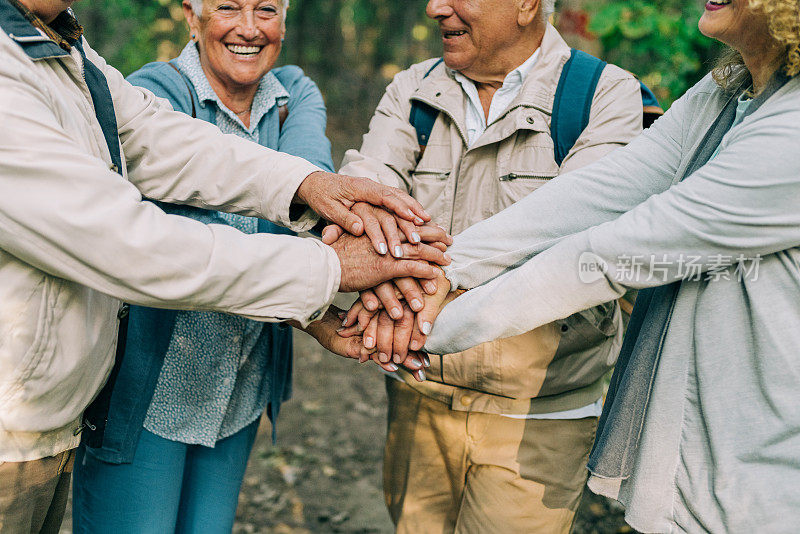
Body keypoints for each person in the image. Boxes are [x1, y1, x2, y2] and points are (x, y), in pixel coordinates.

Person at [0, 0, 447, 531]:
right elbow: (131, 245)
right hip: (30, 416)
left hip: (59, 414)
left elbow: (153, 137)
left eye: (267, 9)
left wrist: (309, 186)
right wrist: (329, 269)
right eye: (229, 6)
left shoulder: (59, 44)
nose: (249, 27)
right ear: (192, 14)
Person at [378, 0, 800, 532]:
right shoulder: (728, 92)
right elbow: (597, 192)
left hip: (766, 469)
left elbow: (613, 253)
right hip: (702, 443)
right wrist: (450, 268)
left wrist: (413, 323)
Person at [334, 0, 642, 531]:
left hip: (537, 416)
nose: (434, 8)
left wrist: (404, 275)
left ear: (526, 5)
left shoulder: (603, 95)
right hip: (419, 395)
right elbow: (364, 209)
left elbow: (573, 235)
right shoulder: (413, 90)